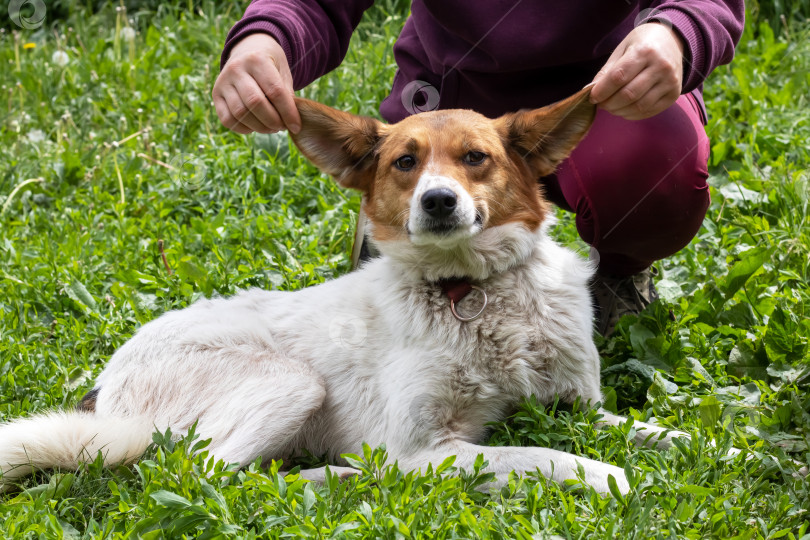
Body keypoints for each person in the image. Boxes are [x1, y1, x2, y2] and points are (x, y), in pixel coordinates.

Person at [213, 1, 744, 336]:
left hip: (608, 93)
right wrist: (265, 38)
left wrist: (675, 32)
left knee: (657, 165)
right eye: (400, 165)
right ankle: (401, 202)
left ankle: (619, 274)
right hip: (450, 101)